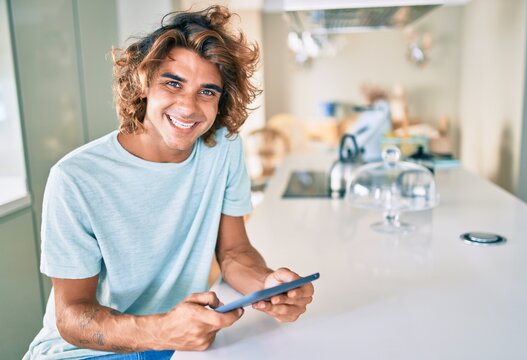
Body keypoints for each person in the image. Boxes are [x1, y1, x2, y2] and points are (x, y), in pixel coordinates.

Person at [24, 6, 314, 360]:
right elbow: (72, 317)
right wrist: (160, 330)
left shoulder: (222, 148)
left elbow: (235, 252)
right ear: (143, 82)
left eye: (207, 92)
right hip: (84, 353)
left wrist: (267, 286)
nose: (189, 106)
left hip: (178, 345)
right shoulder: (75, 178)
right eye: (173, 83)